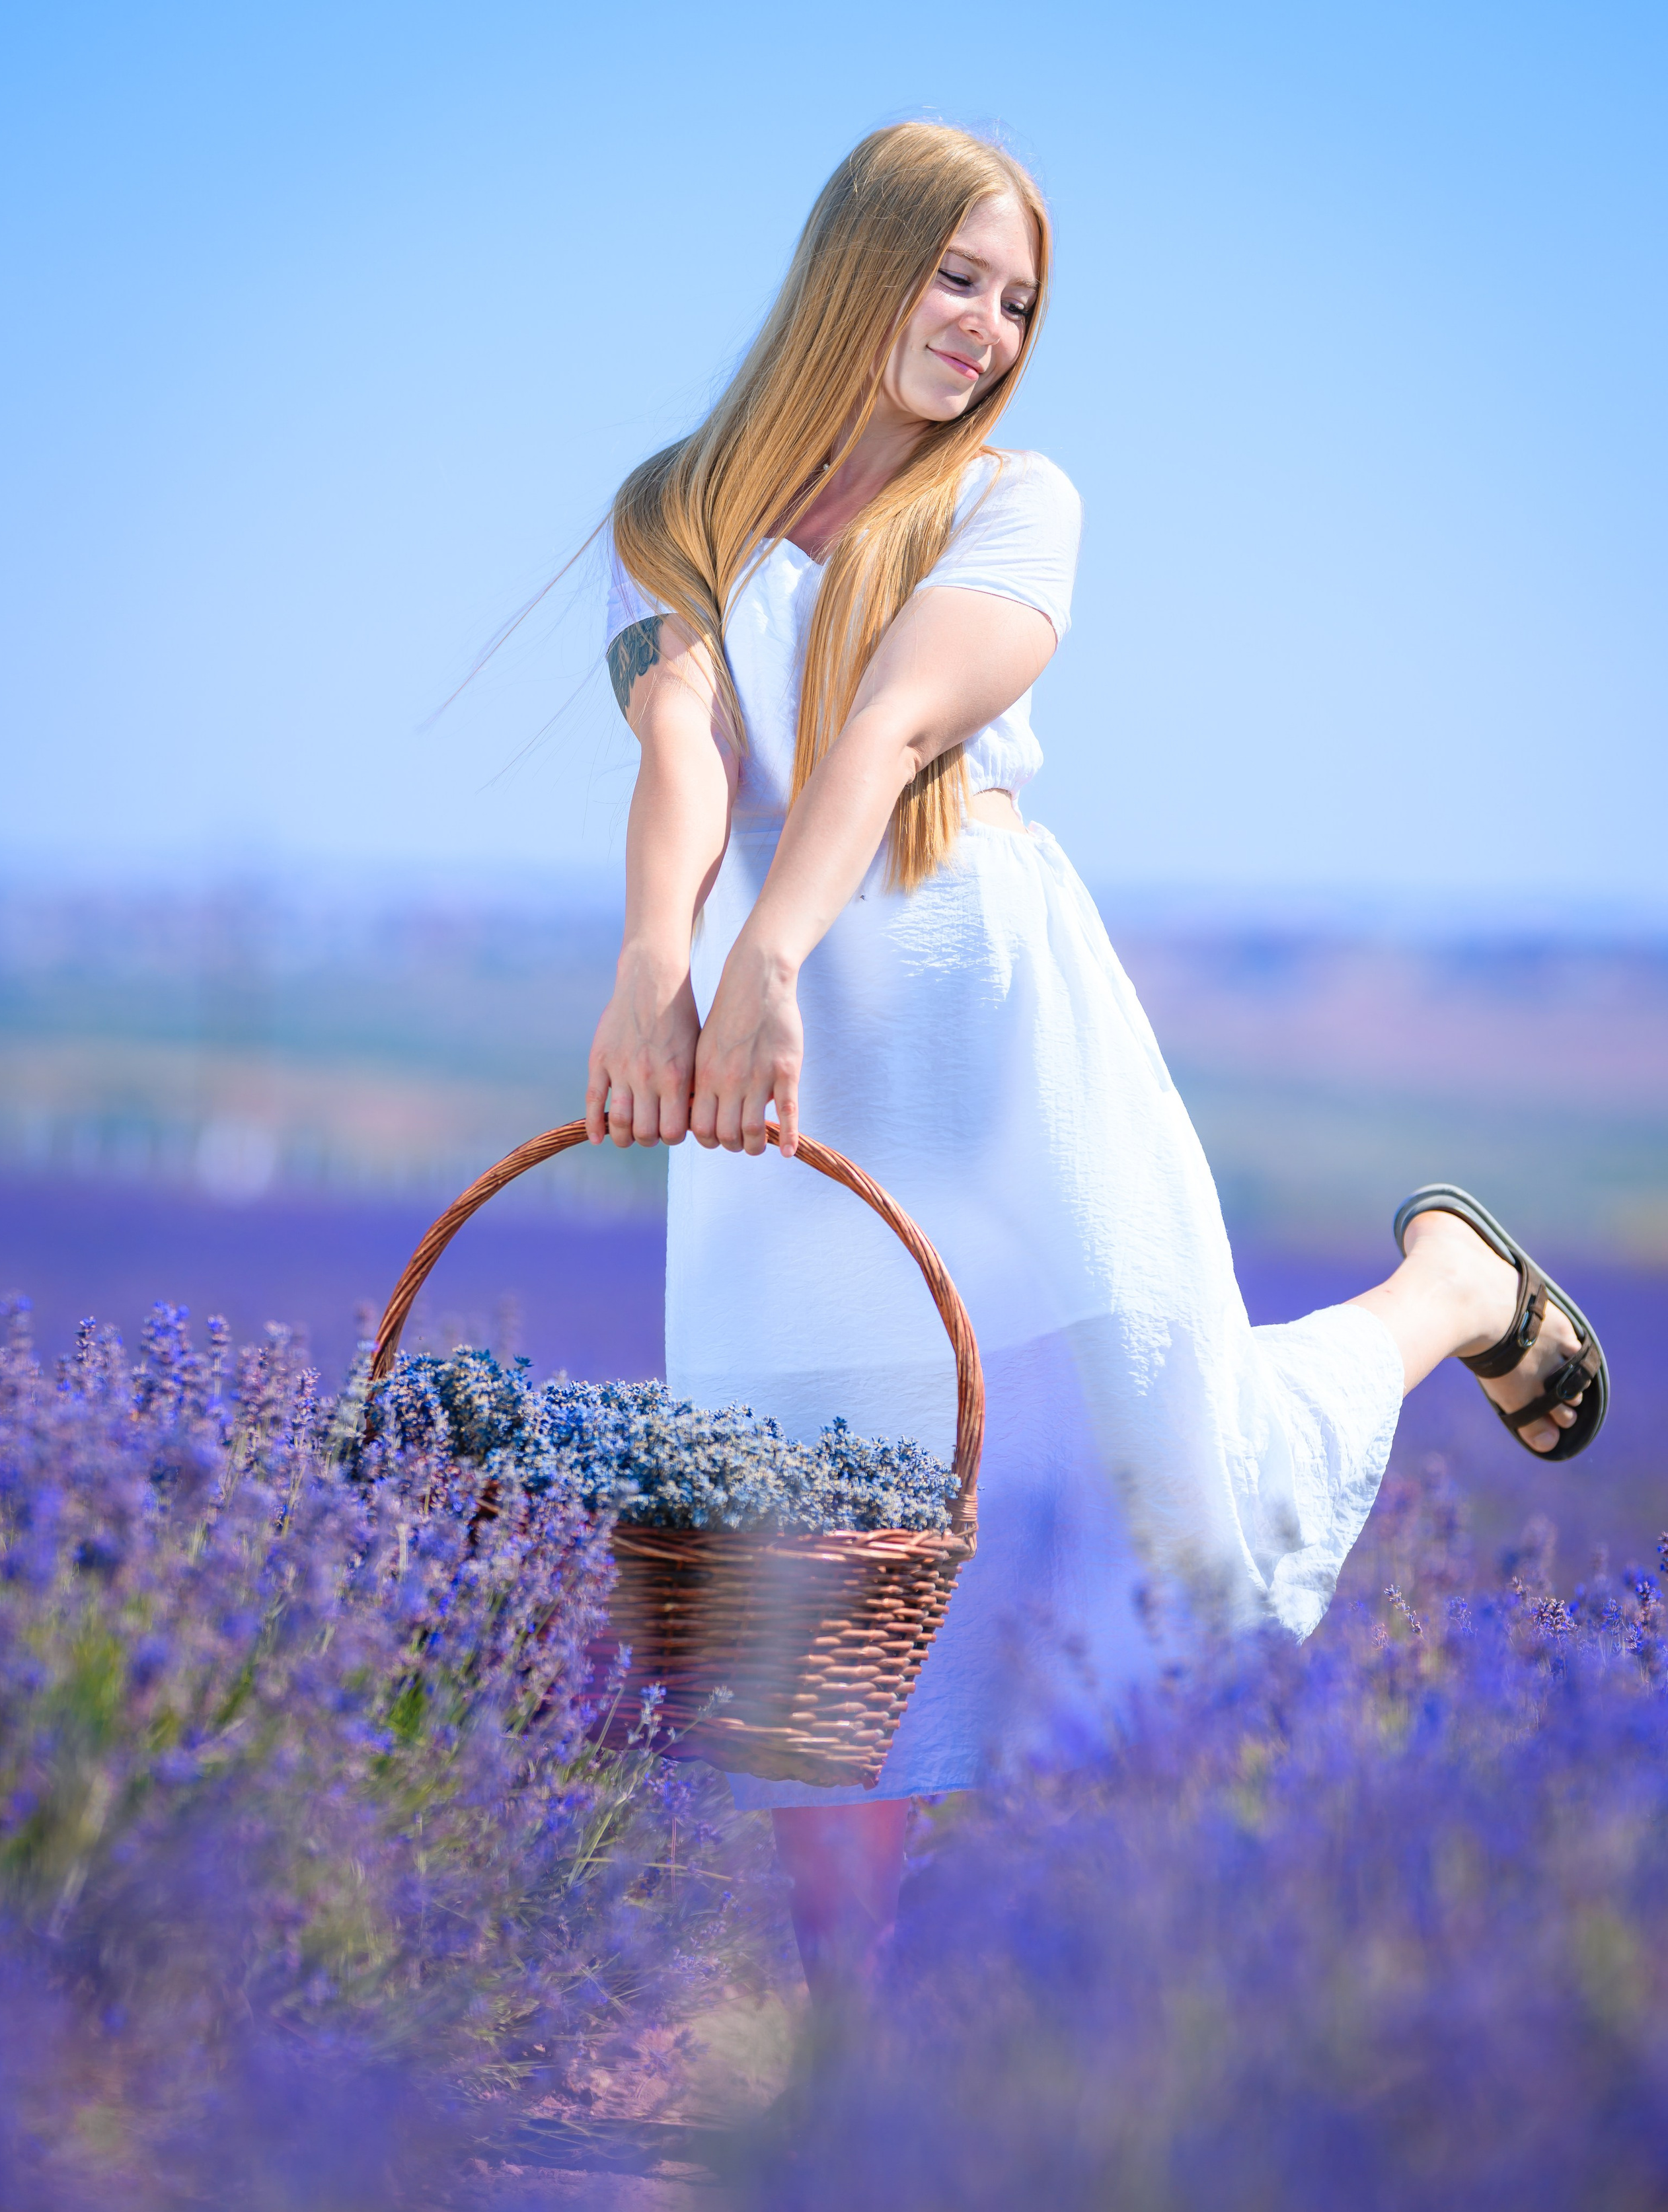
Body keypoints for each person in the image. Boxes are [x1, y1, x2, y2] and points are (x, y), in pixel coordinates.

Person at [583, 122, 1608, 1999]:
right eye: (954, 276)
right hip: (778, 1081)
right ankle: (848, 2032)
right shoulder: (689, 499)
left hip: (989, 1049)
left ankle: (1440, 1292)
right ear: (857, 259)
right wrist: (663, 956)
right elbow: (681, 747)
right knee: (821, 1531)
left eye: (1017, 300)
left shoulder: (1018, 500)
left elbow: (892, 722)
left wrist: (769, 953)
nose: (983, 327)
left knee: (1170, 1470)